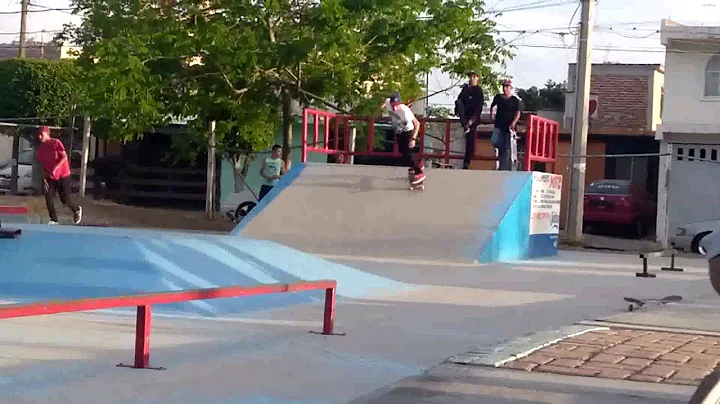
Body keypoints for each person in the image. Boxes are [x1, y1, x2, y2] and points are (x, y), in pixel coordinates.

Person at [36, 125, 82, 225]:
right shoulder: (41, 149)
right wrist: (44, 179)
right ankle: (54, 219)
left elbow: (64, 157)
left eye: (41, 135)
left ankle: (77, 210)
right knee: (48, 197)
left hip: (63, 175)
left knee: (65, 200)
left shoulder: (55, 142)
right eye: (38, 135)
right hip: (50, 177)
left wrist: (56, 168)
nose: (39, 137)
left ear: (47, 134)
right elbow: (42, 165)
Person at [384, 92, 425, 185]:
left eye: (396, 105)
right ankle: (416, 165)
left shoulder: (405, 111)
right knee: (403, 153)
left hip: (409, 132)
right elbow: (385, 99)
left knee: (410, 153)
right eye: (392, 105)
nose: (394, 108)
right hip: (399, 131)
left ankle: (420, 173)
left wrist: (413, 138)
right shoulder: (388, 103)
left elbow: (417, 124)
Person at [455, 71, 485, 169]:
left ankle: (467, 161)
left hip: (473, 117)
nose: (471, 79)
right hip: (465, 116)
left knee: (470, 140)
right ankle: (465, 125)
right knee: (458, 102)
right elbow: (459, 101)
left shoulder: (478, 91)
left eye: (474, 77)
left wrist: (472, 120)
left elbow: (479, 107)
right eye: (471, 77)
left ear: (477, 79)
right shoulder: (465, 89)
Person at [490, 79, 522, 171]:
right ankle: (501, 150)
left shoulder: (515, 100)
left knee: (508, 149)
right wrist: (492, 113)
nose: (505, 88)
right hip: (498, 125)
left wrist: (513, 122)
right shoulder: (498, 97)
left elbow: (518, 112)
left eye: (507, 87)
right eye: (504, 86)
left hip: (509, 127)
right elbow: (493, 106)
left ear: (510, 88)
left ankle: (504, 168)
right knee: (494, 141)